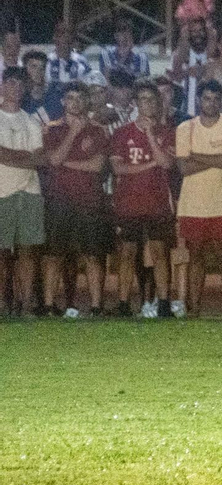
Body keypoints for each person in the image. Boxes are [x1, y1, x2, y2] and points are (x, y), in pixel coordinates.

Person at [40, 84, 110, 318]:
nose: (75, 102)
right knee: (54, 254)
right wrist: (72, 133)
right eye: (70, 98)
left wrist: (66, 163)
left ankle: (96, 306)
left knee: (92, 254)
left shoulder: (98, 130)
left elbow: (97, 166)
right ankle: (49, 306)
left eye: (80, 97)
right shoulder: (52, 129)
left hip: (89, 199)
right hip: (59, 198)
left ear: (86, 101)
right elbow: (54, 159)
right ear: (63, 102)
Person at [175, 80, 222, 313]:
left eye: (215, 99)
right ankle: (193, 309)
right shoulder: (185, 128)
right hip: (193, 205)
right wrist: (215, 158)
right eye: (207, 98)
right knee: (196, 258)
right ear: (198, 100)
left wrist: (197, 156)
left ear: (221, 100)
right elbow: (183, 168)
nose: (211, 103)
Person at [110, 81, 175, 318]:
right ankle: (124, 303)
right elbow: (119, 169)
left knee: (159, 252)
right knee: (127, 253)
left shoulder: (166, 132)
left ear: (157, 103)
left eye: (151, 99)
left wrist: (149, 133)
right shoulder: (122, 133)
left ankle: (164, 303)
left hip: (157, 201)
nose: (147, 104)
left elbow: (167, 163)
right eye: (143, 99)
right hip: (128, 203)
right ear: (136, 103)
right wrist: (149, 164)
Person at [0, 66, 45, 317]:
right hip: (2, 192)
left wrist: (10, 156)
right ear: (2, 86)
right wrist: (25, 157)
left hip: (29, 191)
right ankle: (3, 303)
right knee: (2, 253)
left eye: (19, 84)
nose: (15, 88)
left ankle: (26, 303)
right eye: (10, 83)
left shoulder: (31, 121)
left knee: (28, 251)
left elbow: (40, 159)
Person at [101, 19, 151, 84]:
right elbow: (107, 78)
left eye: (128, 31)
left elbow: (143, 80)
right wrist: (125, 54)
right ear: (115, 35)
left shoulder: (141, 55)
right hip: (113, 90)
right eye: (121, 31)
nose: (125, 34)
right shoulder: (107, 53)